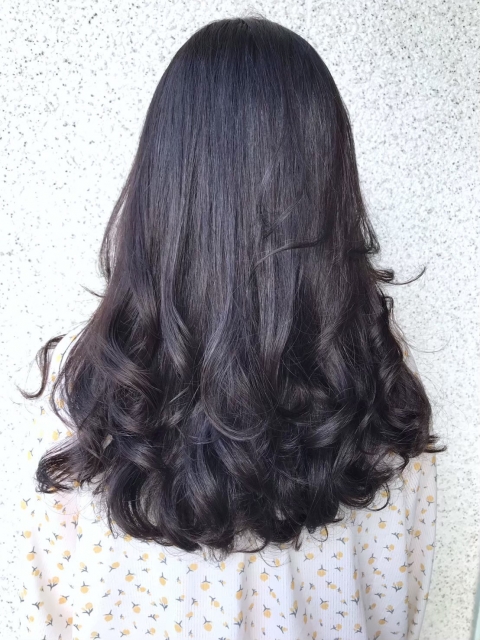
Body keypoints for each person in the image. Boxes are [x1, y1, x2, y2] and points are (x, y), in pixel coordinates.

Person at [16, 15, 445, 640]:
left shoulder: (85, 395)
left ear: (162, 185)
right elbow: (399, 609)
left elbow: (45, 616)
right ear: (328, 185)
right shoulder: (381, 391)